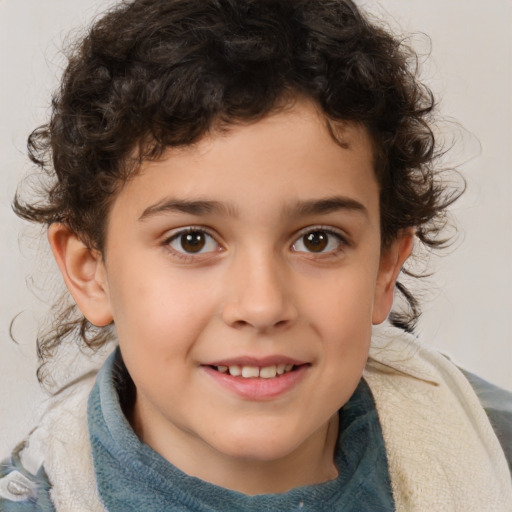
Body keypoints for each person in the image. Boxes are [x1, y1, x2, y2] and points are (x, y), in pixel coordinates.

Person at [1, 0, 511, 510]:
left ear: (383, 268)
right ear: (91, 272)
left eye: (317, 240)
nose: (263, 305)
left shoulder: (491, 450)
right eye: (192, 240)